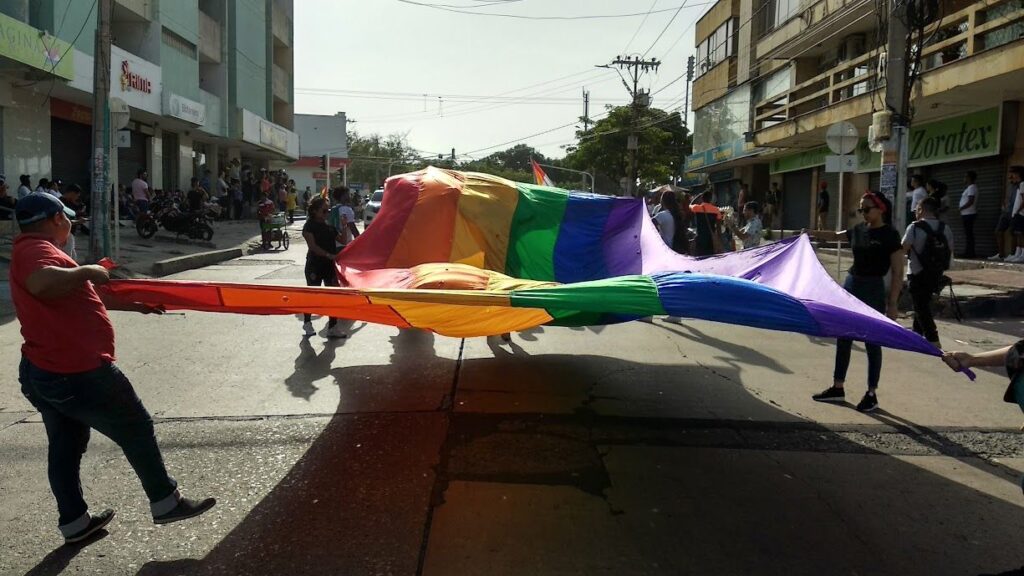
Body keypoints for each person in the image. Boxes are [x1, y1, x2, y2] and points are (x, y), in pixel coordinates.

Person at [10, 192, 216, 544]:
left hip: (48, 368)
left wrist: (137, 304)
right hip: (77, 371)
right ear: (57, 219)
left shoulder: (38, 250)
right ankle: (166, 501)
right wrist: (89, 270)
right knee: (135, 427)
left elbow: (84, 294)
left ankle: (75, 522)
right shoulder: (35, 250)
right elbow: (42, 284)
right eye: (67, 217)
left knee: (65, 447)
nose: (70, 223)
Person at [804, 192, 904, 412]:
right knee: (844, 337)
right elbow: (836, 235)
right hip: (851, 286)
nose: (863, 213)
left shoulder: (890, 235)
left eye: (867, 209)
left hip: (873, 289)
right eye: (861, 209)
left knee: (872, 341)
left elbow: (898, 272)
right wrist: (811, 233)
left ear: (880, 209)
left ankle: (871, 393)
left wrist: (893, 303)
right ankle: (837, 387)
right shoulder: (859, 230)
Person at [902, 196, 954, 347]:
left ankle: (932, 338)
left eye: (917, 209)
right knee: (923, 303)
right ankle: (916, 336)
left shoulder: (914, 227)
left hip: (916, 272)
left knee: (920, 306)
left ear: (920, 209)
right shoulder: (945, 228)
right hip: (935, 273)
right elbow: (950, 250)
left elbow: (903, 247)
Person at [301, 197, 349, 338]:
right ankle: (307, 322)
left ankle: (333, 326)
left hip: (329, 265)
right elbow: (313, 246)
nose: (326, 213)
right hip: (314, 265)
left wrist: (344, 226)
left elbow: (343, 240)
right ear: (314, 211)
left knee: (332, 295)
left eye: (328, 210)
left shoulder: (329, 226)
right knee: (312, 295)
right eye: (324, 211)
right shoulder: (309, 226)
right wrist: (329, 255)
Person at [653, 190, 688, 255]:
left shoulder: (661, 215)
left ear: (662, 201)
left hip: (665, 250)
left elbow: (649, 226)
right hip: (678, 249)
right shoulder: (679, 214)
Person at [690, 190, 722, 257]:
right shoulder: (716, 210)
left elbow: (690, 205)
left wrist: (698, 197)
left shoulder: (696, 208)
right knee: (711, 257)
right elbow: (719, 227)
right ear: (711, 199)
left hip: (700, 238)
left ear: (702, 198)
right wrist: (719, 239)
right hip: (711, 239)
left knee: (701, 258)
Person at [958, 171, 978, 258]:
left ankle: (970, 253)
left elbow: (971, 201)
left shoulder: (971, 187)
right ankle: (968, 252)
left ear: (969, 178)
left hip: (969, 214)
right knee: (968, 234)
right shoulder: (970, 188)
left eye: (965, 177)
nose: (964, 179)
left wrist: (961, 208)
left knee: (969, 234)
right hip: (967, 214)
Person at [1007, 165, 1024, 263]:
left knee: (1021, 234)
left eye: (1014, 173)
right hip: (1018, 212)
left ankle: (1022, 255)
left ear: (1018, 174)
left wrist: (1017, 211)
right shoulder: (1019, 185)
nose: (1012, 175)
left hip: (1021, 213)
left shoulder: (1022, 184)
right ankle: (1018, 253)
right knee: (1018, 234)